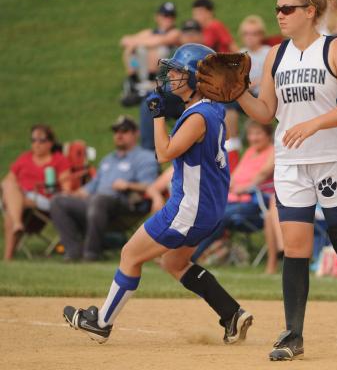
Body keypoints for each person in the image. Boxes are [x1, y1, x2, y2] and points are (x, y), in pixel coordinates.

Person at [236, 0, 337, 359]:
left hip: (333, 159)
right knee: (296, 248)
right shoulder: (275, 55)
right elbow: (266, 110)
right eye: (277, 9)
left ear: (309, 11)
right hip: (290, 163)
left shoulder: (334, 48)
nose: (280, 15)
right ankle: (292, 335)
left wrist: (315, 123)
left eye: (288, 9)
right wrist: (235, 93)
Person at [62, 44, 253, 346]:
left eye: (179, 71)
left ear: (195, 80)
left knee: (129, 255)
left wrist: (157, 116)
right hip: (208, 208)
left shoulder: (197, 117)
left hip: (188, 208)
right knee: (175, 263)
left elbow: (163, 153)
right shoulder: (213, 109)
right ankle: (231, 314)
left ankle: (100, 323)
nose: (171, 75)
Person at [50, 116, 158, 261]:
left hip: (125, 205)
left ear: (136, 133)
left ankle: (91, 254)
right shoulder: (107, 159)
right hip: (95, 204)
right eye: (116, 131)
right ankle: (73, 252)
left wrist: (128, 185)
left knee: (99, 199)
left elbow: (151, 186)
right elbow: (90, 187)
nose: (119, 135)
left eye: (124, 131)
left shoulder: (145, 157)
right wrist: (72, 194)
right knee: (58, 201)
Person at [192, 120, 275, 261]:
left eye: (258, 134)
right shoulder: (250, 151)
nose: (253, 138)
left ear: (268, 135)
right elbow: (235, 175)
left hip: (257, 200)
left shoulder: (273, 151)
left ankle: (191, 257)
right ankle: (180, 253)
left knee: (218, 216)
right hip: (234, 199)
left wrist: (246, 188)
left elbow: (263, 173)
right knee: (202, 211)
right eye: (250, 134)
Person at [1, 125, 71, 260]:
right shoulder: (24, 158)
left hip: (43, 198)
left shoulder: (58, 160)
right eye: (33, 140)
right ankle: (17, 225)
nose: (36, 144)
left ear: (50, 143)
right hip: (20, 197)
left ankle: (8, 255)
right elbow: (7, 181)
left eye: (41, 140)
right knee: (10, 190)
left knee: (11, 204)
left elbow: (66, 187)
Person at [120, 2, 181, 107]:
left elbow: (159, 41)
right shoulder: (150, 32)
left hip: (163, 72)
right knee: (130, 51)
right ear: (157, 17)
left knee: (159, 49)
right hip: (142, 66)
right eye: (165, 15)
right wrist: (138, 43)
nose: (169, 19)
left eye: (171, 16)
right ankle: (134, 80)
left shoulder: (175, 32)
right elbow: (124, 40)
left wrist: (140, 41)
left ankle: (148, 83)